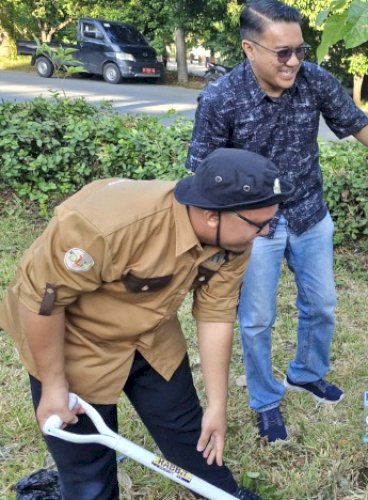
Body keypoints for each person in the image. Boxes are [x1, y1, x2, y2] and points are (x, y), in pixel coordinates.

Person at [0, 148, 292, 499]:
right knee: (88, 475)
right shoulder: (108, 226)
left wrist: (217, 407)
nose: (265, 233)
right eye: (259, 224)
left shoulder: (234, 238)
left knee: (190, 437)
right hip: (75, 340)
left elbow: (216, 314)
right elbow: (42, 303)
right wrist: (53, 385)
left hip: (151, 336)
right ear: (213, 216)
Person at [185, 0, 368, 443]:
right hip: (255, 229)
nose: (294, 61)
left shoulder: (315, 80)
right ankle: (266, 401)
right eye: (282, 53)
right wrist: (224, 231)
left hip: (310, 212)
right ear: (250, 49)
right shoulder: (221, 98)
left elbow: (356, 125)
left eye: (300, 50)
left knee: (322, 303)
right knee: (256, 319)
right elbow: (202, 172)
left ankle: (306, 373)